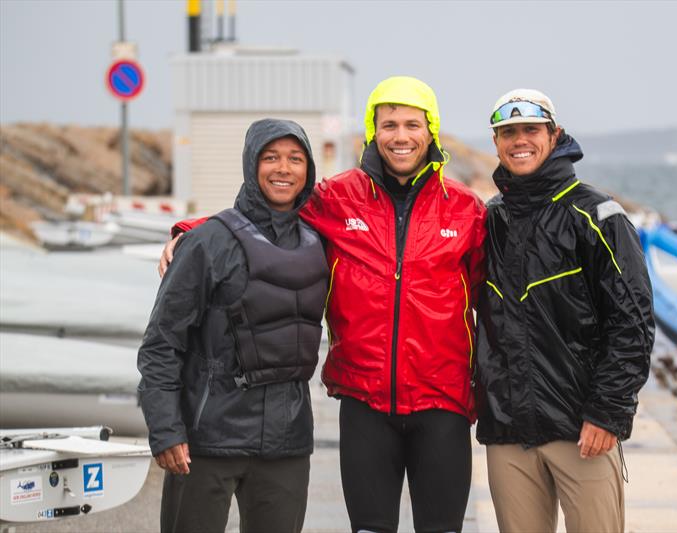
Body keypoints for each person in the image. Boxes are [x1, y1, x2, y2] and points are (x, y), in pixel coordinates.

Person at [161, 77, 487, 533]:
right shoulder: (338, 198)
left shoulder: (466, 211)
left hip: (443, 402)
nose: (400, 136)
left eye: (413, 124)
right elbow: (268, 210)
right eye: (388, 123)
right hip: (364, 401)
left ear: (431, 131)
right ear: (373, 130)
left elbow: (497, 301)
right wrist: (190, 230)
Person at [474, 89, 655, 533]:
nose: (520, 141)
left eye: (531, 130)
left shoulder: (598, 215)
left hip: (583, 429)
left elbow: (633, 324)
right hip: (509, 429)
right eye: (508, 132)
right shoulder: (490, 218)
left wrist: (608, 412)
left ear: (554, 135)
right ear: (496, 142)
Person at [138, 118, 328, 533]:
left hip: (286, 440)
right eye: (271, 157)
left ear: (308, 170)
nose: (284, 169)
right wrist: (165, 429)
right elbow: (161, 343)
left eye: (295, 159)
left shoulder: (321, 240)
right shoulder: (209, 242)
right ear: (250, 164)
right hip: (208, 436)